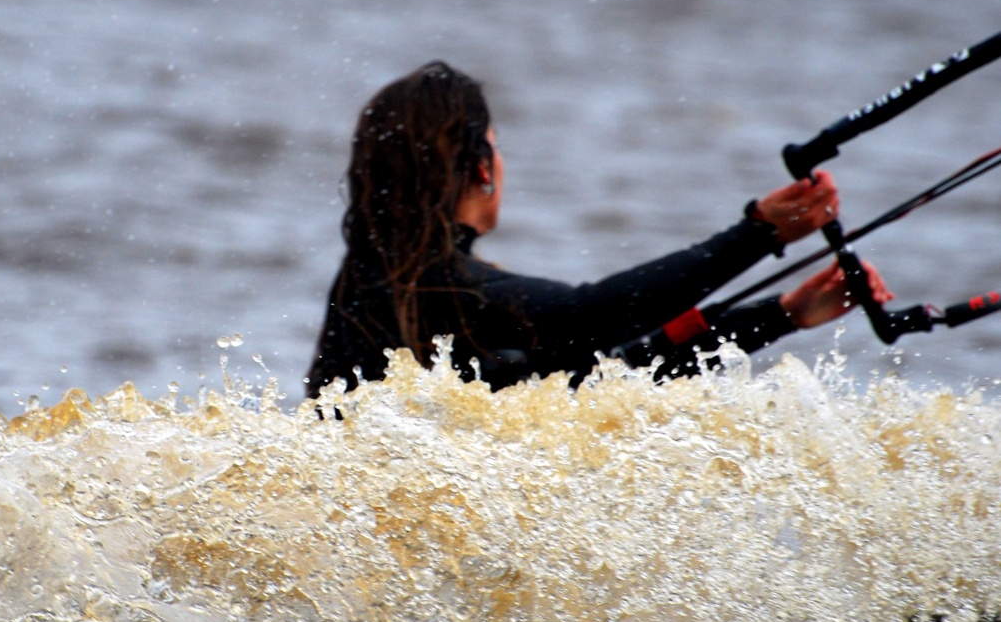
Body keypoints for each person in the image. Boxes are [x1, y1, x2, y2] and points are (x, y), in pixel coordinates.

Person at [305, 61, 890, 398]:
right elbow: (595, 314)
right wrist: (758, 234)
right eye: (497, 148)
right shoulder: (445, 293)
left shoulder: (373, 290)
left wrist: (781, 313)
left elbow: (609, 375)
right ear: (482, 169)